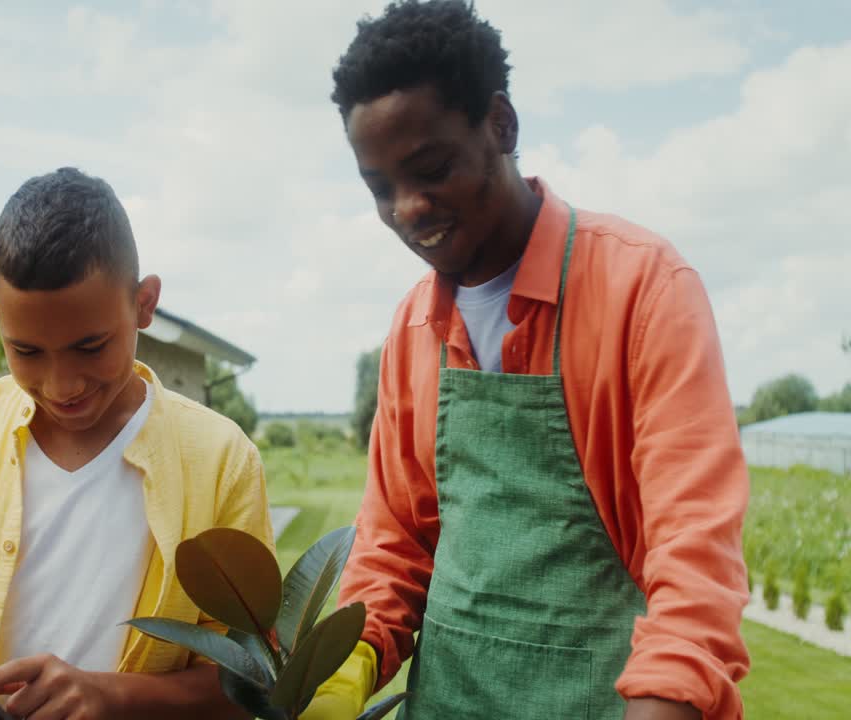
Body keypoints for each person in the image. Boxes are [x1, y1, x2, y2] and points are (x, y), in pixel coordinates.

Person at [305, 2, 751, 719]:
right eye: (380, 188)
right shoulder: (414, 326)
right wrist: (347, 659)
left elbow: (694, 558)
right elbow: (395, 543)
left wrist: (667, 702)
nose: (408, 209)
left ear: (501, 125)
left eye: (431, 168)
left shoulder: (644, 289)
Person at [0, 167, 270, 720]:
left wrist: (113, 697)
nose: (63, 386)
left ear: (144, 303)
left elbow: (251, 680)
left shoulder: (220, 460)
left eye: (91, 347)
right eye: (28, 352)